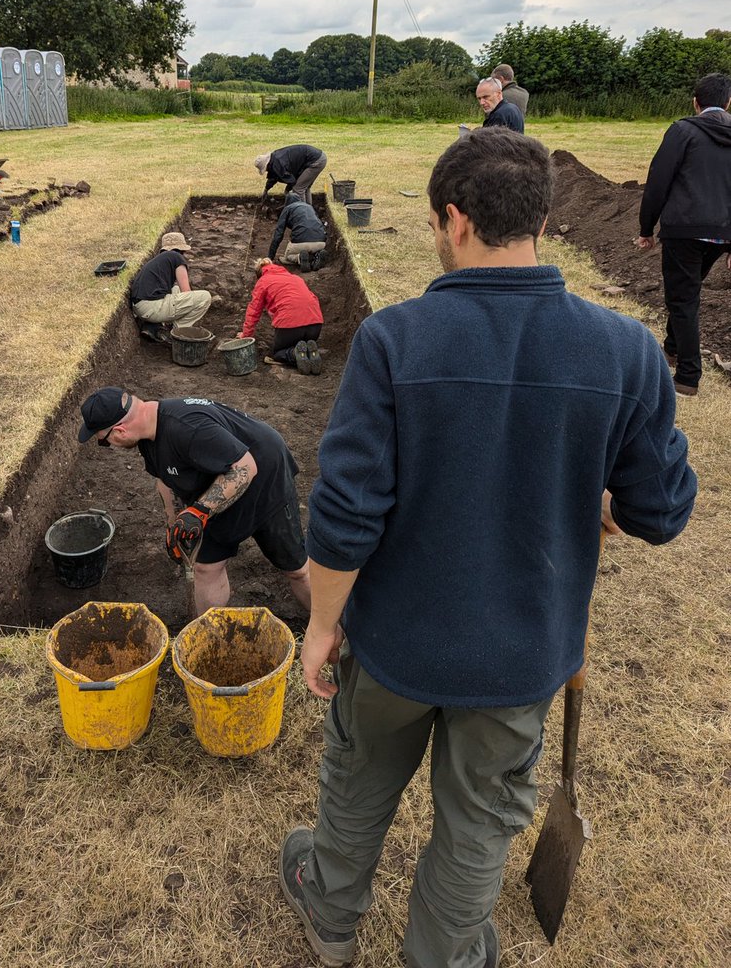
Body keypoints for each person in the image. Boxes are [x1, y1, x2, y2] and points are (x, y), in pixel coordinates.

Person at [279, 128, 696, 968]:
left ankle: (329, 921)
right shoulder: (623, 350)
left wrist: (323, 623)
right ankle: (442, 955)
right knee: (479, 823)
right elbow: (660, 512)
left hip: (395, 643)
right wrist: (603, 500)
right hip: (521, 654)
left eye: (437, 226)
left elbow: (346, 512)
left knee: (357, 784)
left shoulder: (395, 340)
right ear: (538, 219)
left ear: (453, 220)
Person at [78, 387, 312, 616]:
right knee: (204, 568)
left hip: (264, 477)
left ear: (119, 431)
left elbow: (245, 468)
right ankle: (208, 634)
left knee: (296, 569)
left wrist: (199, 511)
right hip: (216, 484)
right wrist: (174, 525)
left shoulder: (187, 428)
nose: (109, 446)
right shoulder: (149, 435)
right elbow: (164, 480)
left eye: (104, 441)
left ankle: (330, 629)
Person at [636, 72, 731, 397]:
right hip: (721, 234)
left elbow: (658, 180)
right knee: (685, 292)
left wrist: (646, 228)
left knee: (683, 298)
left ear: (695, 101)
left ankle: (688, 376)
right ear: (728, 102)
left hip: (684, 230)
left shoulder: (683, 131)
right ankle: (672, 347)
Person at [238, 259, 323, 375]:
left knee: (278, 354)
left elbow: (253, 311)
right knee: (302, 342)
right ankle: (310, 352)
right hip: (315, 325)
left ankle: (294, 353)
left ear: (259, 274)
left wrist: (245, 335)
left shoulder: (263, 281)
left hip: (290, 326)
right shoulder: (296, 278)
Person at [129, 232, 212, 343]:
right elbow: (186, 291)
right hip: (151, 308)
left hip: (140, 307)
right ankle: (177, 331)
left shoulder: (159, 260)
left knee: (175, 290)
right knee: (204, 297)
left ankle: (153, 326)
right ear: (181, 249)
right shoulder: (177, 257)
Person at [267, 195, 327, 270]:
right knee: (312, 250)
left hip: (300, 243)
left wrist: (270, 257)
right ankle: (316, 257)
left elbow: (278, 234)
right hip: (320, 243)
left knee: (287, 257)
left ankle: (299, 258)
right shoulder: (309, 207)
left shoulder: (288, 208)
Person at [255, 144, 327, 204]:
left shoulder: (278, 165)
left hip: (316, 161)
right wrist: (266, 189)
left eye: (265, 169)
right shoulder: (274, 159)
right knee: (305, 187)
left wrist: (287, 191)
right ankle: (309, 211)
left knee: (298, 189)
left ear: (267, 165)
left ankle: (303, 214)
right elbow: (273, 177)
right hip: (317, 157)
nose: (267, 171)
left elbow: (292, 180)